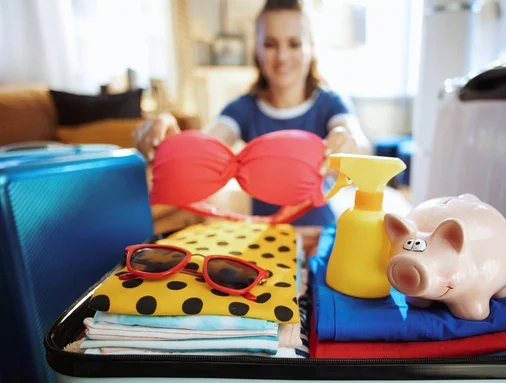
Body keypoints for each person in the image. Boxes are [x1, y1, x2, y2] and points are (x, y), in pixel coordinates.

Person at [134, 0, 372, 228]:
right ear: (256, 48)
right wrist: (175, 145)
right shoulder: (243, 109)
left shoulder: (330, 104)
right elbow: (212, 140)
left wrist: (350, 145)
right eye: (270, 44)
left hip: (319, 237)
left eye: (294, 43)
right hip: (265, 237)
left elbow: (360, 142)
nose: (281, 56)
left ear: (311, 48)